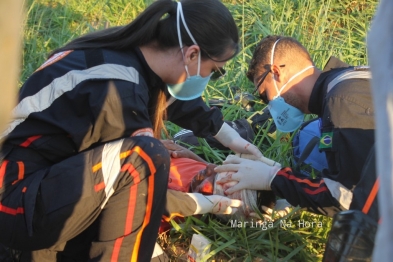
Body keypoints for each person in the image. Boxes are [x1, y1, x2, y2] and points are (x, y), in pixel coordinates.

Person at [0, 1, 263, 261]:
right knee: (146, 156)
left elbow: (183, 104)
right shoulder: (116, 92)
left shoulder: (132, 60)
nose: (209, 78)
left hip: (38, 185)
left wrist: (240, 144)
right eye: (215, 72)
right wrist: (206, 203)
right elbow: (141, 190)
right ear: (192, 54)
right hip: (14, 203)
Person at [216, 35, 377, 220]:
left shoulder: (341, 103)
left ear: (276, 72)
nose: (269, 105)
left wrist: (275, 179)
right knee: (309, 138)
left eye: (264, 95)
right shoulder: (346, 80)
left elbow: (350, 197)